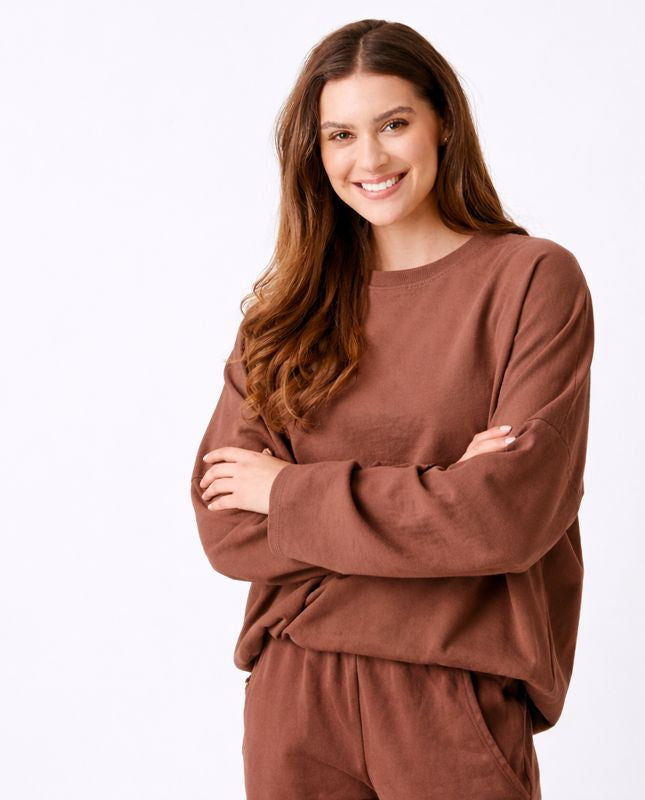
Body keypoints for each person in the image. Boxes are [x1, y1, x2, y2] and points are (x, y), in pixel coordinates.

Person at [189, 18, 594, 800]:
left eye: (393, 124)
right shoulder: (283, 315)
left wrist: (287, 492)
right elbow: (227, 526)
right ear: (315, 152)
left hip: (453, 693)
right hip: (295, 693)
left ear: (443, 123)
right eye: (340, 135)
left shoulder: (531, 282)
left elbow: (503, 516)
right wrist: (440, 491)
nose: (368, 159)